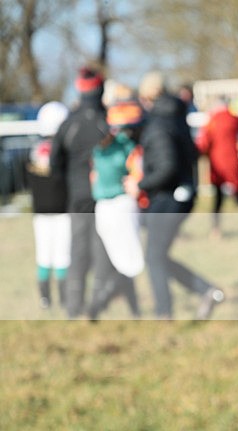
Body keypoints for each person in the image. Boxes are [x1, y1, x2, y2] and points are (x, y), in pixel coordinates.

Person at [131, 71, 224, 320]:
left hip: (168, 198)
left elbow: (166, 167)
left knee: (153, 257)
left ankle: (165, 313)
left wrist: (140, 183)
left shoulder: (159, 123)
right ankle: (207, 291)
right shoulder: (176, 115)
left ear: (147, 97)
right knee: (157, 256)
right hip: (179, 195)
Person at [49, 66, 117, 318]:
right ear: (100, 90)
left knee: (77, 251)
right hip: (105, 195)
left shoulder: (69, 123)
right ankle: (95, 306)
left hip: (77, 197)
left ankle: (73, 306)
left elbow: (55, 163)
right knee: (101, 250)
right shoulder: (108, 121)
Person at [87, 98, 145, 319]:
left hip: (102, 208)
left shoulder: (97, 151)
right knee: (131, 262)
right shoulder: (129, 148)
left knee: (117, 260)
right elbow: (137, 177)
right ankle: (99, 304)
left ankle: (133, 310)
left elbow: (93, 178)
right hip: (123, 205)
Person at [195, 96, 238, 237]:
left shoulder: (211, 121)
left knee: (218, 199)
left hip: (217, 164)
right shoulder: (233, 118)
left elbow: (204, 144)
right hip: (232, 162)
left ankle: (216, 230)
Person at [28, 101, 71, 309]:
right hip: (62, 210)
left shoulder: (33, 151)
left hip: (40, 212)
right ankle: (62, 299)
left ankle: (46, 300)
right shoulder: (62, 152)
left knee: (44, 254)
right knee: (62, 254)